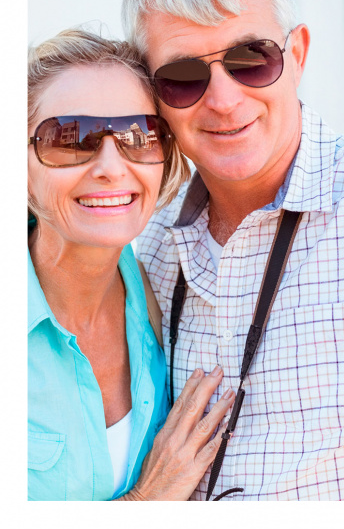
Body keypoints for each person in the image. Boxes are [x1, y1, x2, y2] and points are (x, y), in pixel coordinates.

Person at [124, 0, 344, 500]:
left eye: (251, 59)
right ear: (155, 99)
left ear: (295, 55)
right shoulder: (150, 245)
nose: (224, 101)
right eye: (183, 77)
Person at [27, 29, 235, 500]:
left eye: (137, 137)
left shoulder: (158, 295)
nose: (111, 166)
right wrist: (146, 501)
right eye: (71, 138)